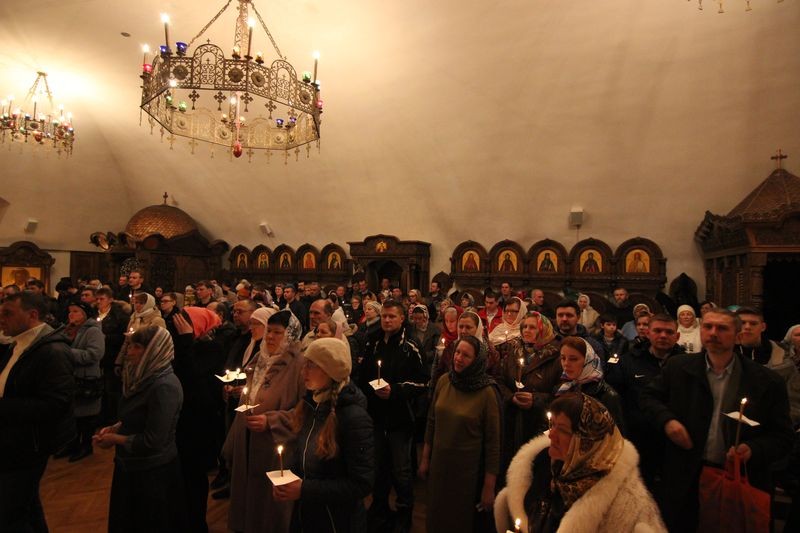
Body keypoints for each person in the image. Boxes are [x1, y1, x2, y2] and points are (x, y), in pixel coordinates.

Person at [640, 309, 794, 532]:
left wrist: (753, 448)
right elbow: (648, 398)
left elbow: (783, 436)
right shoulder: (678, 367)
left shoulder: (766, 381)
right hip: (687, 476)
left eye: (722, 328)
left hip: (736, 479)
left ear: (738, 336)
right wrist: (667, 421)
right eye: (708, 326)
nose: (713, 333)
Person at [494, 393, 666, 533]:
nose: (551, 435)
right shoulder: (543, 466)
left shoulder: (627, 505)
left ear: (587, 442)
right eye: (552, 425)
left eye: (562, 430)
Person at [274, 338, 375, 532]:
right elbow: (303, 453)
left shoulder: (354, 418)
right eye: (305, 364)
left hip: (336, 521)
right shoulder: (311, 404)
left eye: (311, 366)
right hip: (307, 515)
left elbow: (361, 484)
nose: (303, 371)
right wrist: (287, 478)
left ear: (331, 371)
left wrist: (304, 489)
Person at [94, 325, 186, 533]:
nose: (129, 352)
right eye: (130, 346)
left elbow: (154, 441)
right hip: (133, 466)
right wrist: (115, 427)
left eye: (137, 347)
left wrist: (115, 439)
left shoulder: (164, 386)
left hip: (152, 473)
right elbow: (136, 416)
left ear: (155, 350)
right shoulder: (143, 376)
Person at [0, 293, 75, 532]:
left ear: (32, 315)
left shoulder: (53, 351)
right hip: (13, 439)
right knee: (27, 508)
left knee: (10, 515)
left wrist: (3, 406)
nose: (1, 318)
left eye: (8, 313)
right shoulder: (18, 343)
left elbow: (56, 404)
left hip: (28, 444)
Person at [225, 309, 306, 533]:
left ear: (289, 335)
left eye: (277, 332)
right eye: (269, 331)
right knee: (247, 498)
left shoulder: (299, 365)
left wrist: (271, 420)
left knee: (268, 507)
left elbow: (305, 411)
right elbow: (255, 391)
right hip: (248, 437)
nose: (270, 336)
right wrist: (242, 393)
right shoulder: (259, 358)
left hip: (275, 444)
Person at [357, 300, 427, 533]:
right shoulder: (373, 341)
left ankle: (404, 514)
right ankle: (379, 510)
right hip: (376, 415)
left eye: (391, 316)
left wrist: (395, 390)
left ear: (401, 318)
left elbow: (422, 382)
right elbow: (363, 374)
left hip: (400, 417)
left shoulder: (411, 345)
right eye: (384, 316)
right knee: (378, 466)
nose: (387, 320)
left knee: (400, 470)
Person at [419, 335, 501, 533]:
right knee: (436, 516)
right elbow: (432, 421)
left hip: (466, 472)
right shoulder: (444, 381)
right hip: (439, 465)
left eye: (466, 355)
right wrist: (425, 458)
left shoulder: (487, 392)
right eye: (457, 352)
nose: (458, 358)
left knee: (458, 520)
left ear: (477, 361)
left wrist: (489, 486)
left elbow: (493, 443)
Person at [605, 313, 685, 492]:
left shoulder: (686, 364)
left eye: (669, 332)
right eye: (658, 331)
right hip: (638, 440)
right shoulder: (628, 361)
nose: (663, 335)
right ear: (648, 333)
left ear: (677, 336)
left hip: (672, 443)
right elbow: (616, 398)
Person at [497, 311, 561, 482]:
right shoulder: (514, 350)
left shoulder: (556, 356)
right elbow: (500, 381)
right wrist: (511, 397)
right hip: (512, 421)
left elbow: (560, 393)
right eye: (524, 326)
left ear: (544, 330)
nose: (526, 330)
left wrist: (536, 399)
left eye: (532, 327)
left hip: (539, 423)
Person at [61, 301, 105, 462]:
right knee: (73, 415)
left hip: (87, 378)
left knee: (86, 417)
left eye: (75, 311)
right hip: (72, 377)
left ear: (85, 314)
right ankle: (72, 444)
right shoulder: (69, 329)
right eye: (70, 311)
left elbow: (95, 354)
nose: (71, 314)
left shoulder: (93, 331)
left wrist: (67, 352)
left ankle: (86, 446)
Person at [555, 336, 625, 434]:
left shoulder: (607, 396)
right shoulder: (565, 388)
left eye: (573, 359)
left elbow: (616, 437)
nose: (566, 363)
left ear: (588, 360)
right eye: (563, 358)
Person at [115, 293, 167, 372]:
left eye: (141, 303)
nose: (137, 305)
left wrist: (137, 337)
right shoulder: (134, 317)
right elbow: (126, 342)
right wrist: (119, 362)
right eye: (136, 302)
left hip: (146, 361)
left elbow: (158, 344)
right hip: (130, 359)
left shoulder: (157, 320)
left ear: (149, 304)